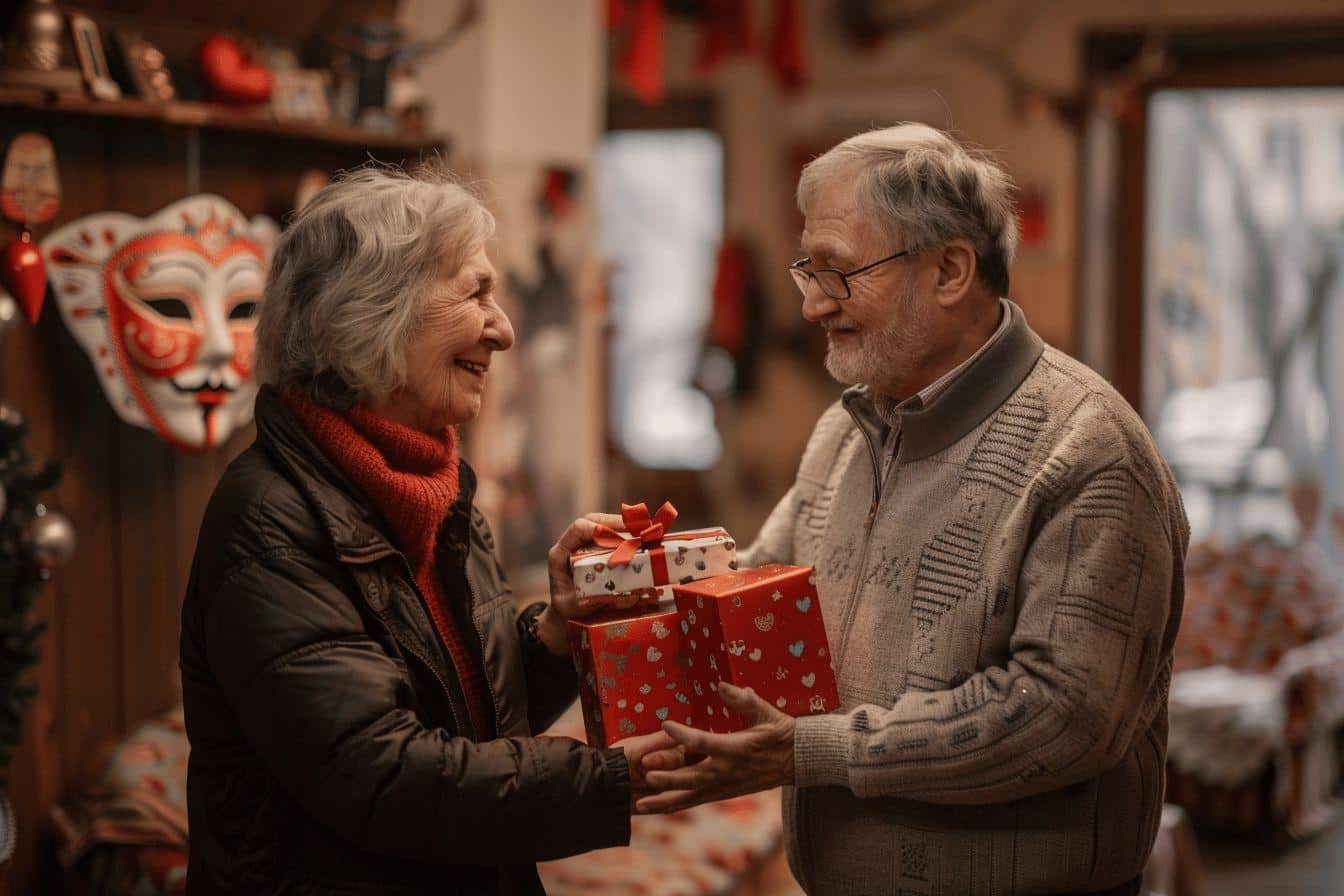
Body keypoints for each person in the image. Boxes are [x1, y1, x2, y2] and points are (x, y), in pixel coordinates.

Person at [638, 124, 1189, 896]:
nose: (809, 306)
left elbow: (1062, 718)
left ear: (951, 270)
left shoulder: (1090, 451)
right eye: (808, 271)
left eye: (837, 272)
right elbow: (758, 590)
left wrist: (812, 752)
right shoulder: (847, 427)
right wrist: (631, 581)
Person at [178, 163, 674, 895]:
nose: (502, 329)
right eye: (476, 292)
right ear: (370, 312)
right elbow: (381, 776)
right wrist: (616, 777)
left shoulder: (433, 484)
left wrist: (555, 636)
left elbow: (469, 722)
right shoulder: (268, 521)